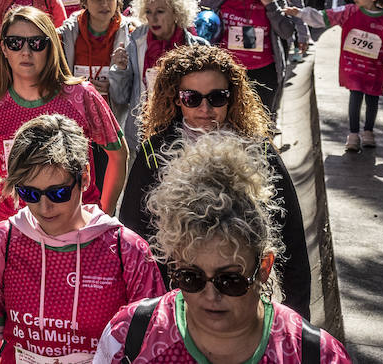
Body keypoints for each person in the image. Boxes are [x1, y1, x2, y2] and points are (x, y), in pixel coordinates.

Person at [92, 133, 350, 363]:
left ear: (264, 267)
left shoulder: (318, 356)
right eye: (190, 278)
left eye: (230, 280)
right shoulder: (128, 338)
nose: (210, 296)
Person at [116, 45, 312, 319]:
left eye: (217, 97)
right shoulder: (153, 154)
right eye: (192, 97)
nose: (205, 108)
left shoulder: (261, 152)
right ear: (176, 99)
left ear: (232, 98)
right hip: (175, 305)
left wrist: (297, 320)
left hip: (244, 301)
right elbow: (133, 241)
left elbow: (290, 243)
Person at [0, 114, 162, 364]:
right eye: (29, 193)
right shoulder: (1, 241)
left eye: (58, 192)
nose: (45, 208)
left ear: (85, 176)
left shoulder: (128, 251)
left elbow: (151, 345)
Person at [0, 6, 126, 224]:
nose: (26, 52)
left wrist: (103, 214)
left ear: (51, 47)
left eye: (36, 43)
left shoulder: (81, 95)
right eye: (15, 43)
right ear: (3, 48)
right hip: (15, 228)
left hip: (76, 228)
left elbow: (118, 154)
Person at [296, 0, 383, 152]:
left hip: (374, 71)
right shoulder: (349, 11)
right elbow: (324, 17)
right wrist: (300, 13)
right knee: (355, 97)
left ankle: (368, 132)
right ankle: (353, 134)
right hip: (354, 69)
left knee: (373, 100)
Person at [108, 0, 206, 148]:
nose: (153, 18)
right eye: (148, 12)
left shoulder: (198, 47)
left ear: (176, 12)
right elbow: (121, 97)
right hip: (142, 137)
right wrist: (120, 70)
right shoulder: (135, 43)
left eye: (160, 11)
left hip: (186, 135)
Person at [199, 0, 295, 112]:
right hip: (227, 69)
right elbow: (198, 14)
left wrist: (270, 5)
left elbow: (287, 32)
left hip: (263, 72)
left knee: (261, 127)